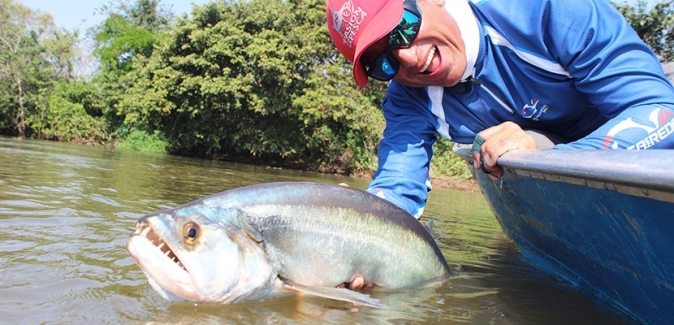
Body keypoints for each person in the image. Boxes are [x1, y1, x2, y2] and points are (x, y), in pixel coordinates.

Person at [326, 0, 674, 219]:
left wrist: (541, 158)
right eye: (382, 63)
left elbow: (662, 112)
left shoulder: (546, 9)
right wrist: (358, 228)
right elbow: (397, 189)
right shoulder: (407, 96)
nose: (407, 58)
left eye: (403, 28)